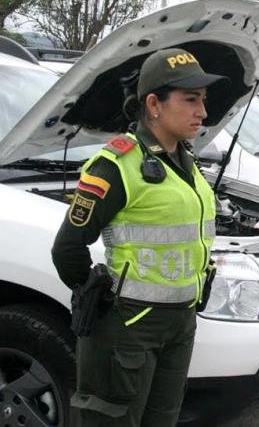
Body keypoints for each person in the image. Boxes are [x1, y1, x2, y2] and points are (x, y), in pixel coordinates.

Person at [52, 48, 228, 426]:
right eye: (191, 99)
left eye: (204, 101)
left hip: (180, 324)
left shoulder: (186, 162)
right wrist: (98, 299)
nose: (203, 112)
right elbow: (68, 247)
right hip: (127, 327)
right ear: (154, 104)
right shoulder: (116, 165)